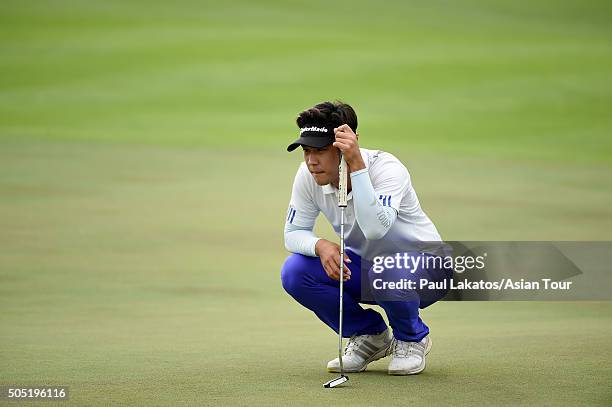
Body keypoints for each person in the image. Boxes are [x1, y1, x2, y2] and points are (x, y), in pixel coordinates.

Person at [281, 100, 452, 375]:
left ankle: (411, 338)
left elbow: (375, 229)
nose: (311, 161)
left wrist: (356, 165)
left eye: (321, 151)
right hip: (371, 270)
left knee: (387, 271)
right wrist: (321, 245)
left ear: (347, 144)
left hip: (428, 268)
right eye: (306, 151)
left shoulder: (386, 169)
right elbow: (292, 234)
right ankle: (369, 335)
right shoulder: (308, 176)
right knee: (296, 271)